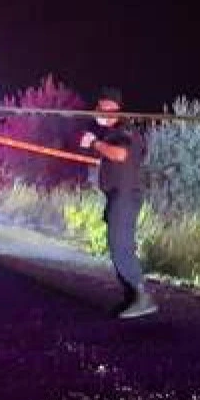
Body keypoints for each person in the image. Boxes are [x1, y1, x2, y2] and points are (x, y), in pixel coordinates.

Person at [80, 88, 158, 319]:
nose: (97, 112)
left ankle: (143, 297)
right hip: (117, 196)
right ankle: (131, 298)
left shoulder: (125, 130)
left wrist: (95, 144)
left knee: (121, 249)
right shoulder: (113, 131)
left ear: (113, 109)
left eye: (101, 107)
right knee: (118, 247)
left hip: (124, 197)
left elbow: (120, 155)